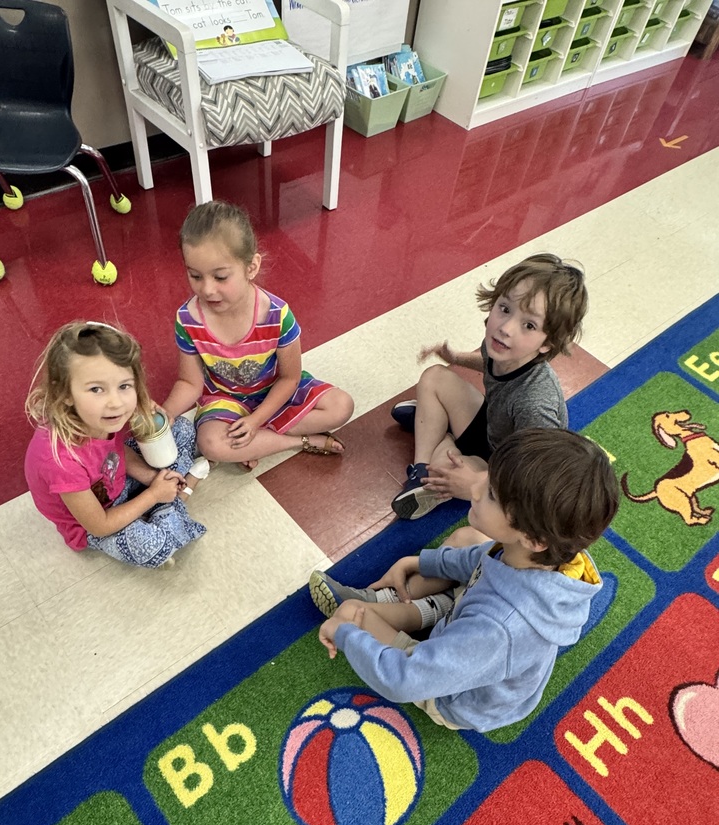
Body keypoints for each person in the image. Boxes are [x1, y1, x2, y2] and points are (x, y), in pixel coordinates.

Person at [312, 429, 619, 733]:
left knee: (352, 613)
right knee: (465, 539)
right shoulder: (541, 553)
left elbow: (403, 680)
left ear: (533, 538)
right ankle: (437, 606)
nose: (475, 489)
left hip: (455, 700)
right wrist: (418, 561)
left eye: (492, 495)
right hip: (476, 628)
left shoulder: (497, 629)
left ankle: (426, 608)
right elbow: (478, 558)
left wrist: (345, 635)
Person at [390, 253, 588, 520]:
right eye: (505, 309)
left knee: (444, 471)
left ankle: (435, 426)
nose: (506, 328)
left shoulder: (535, 403)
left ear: (547, 343)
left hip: (503, 462)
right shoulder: (501, 347)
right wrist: (455, 358)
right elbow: (487, 363)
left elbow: (537, 476)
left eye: (529, 325)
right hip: (490, 423)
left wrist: (478, 483)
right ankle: (421, 465)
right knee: (435, 375)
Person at [161, 200, 354, 470]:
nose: (206, 290)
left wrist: (254, 421)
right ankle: (301, 441)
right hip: (225, 398)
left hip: (276, 391)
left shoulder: (276, 314)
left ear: (251, 267)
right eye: (195, 276)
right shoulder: (188, 319)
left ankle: (256, 440)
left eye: (220, 277)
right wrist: (167, 412)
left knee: (341, 406)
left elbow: (289, 378)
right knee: (210, 443)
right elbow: (190, 382)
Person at [25, 321, 209, 569]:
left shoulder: (99, 416)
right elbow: (99, 525)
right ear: (65, 393)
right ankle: (181, 494)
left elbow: (113, 453)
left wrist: (151, 477)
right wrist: (154, 493)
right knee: (153, 546)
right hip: (93, 521)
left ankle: (164, 502)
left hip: (115, 482)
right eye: (96, 389)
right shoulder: (60, 461)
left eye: (124, 386)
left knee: (182, 430)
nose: (115, 402)